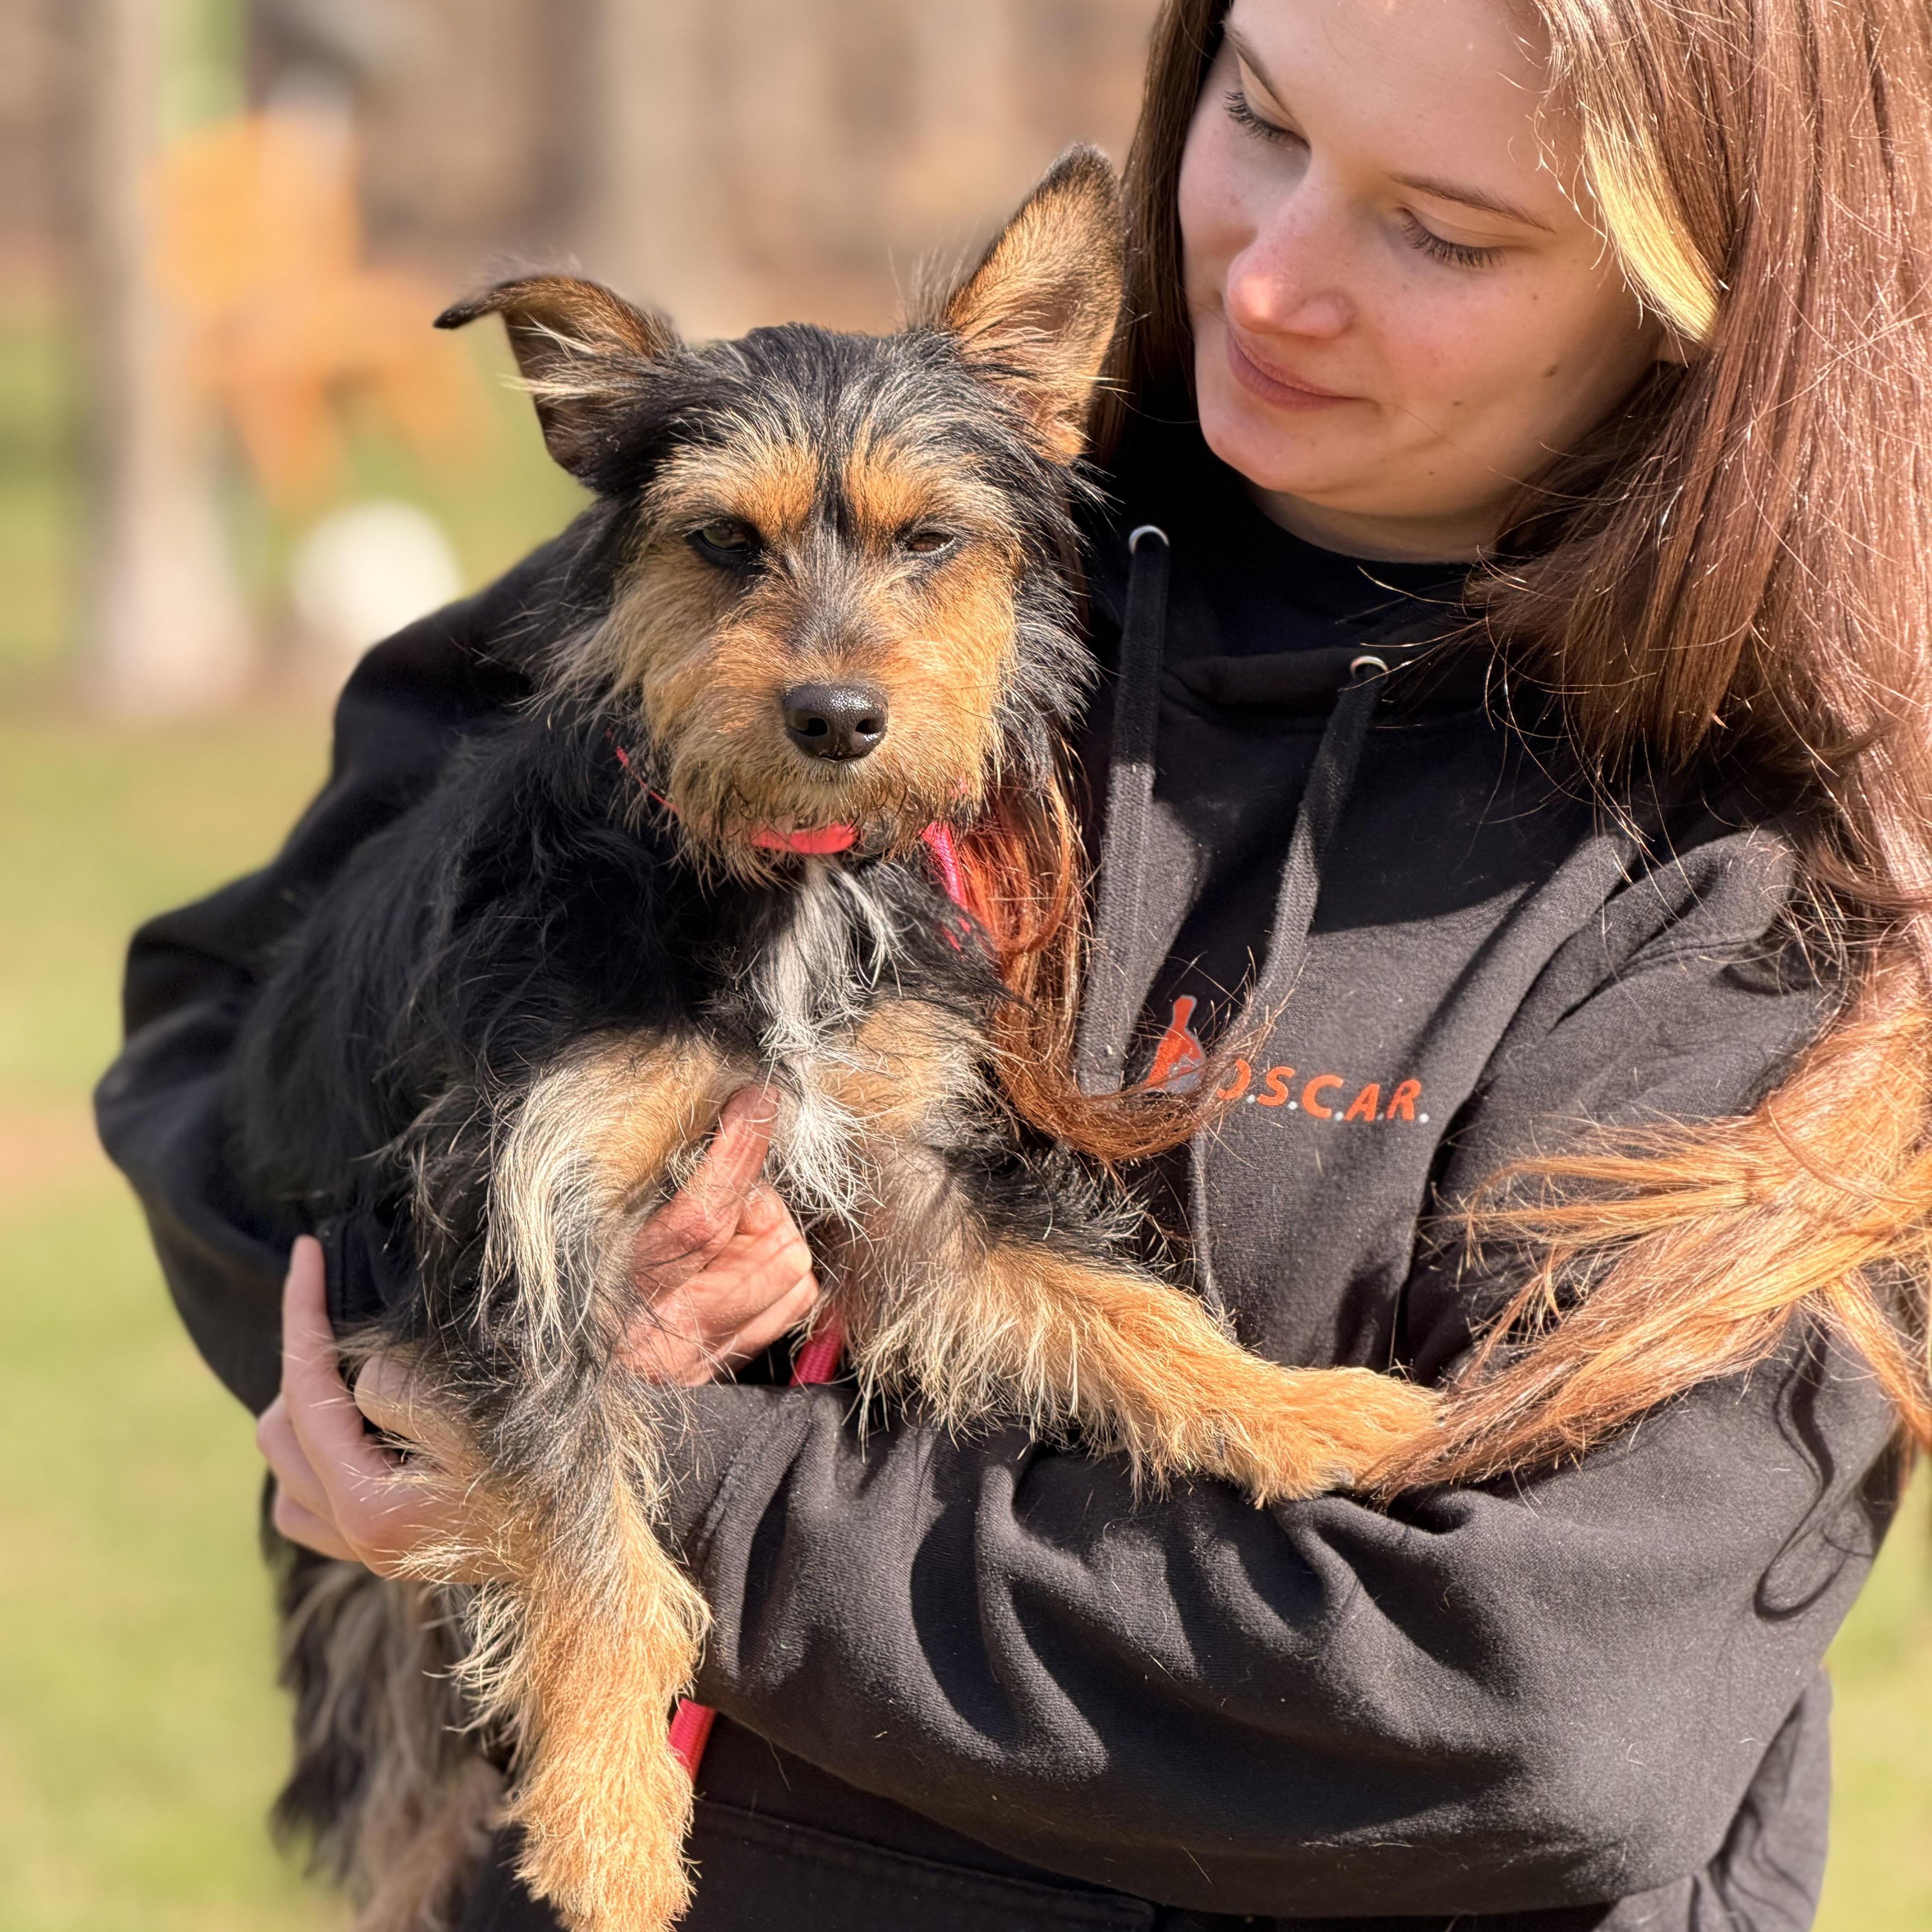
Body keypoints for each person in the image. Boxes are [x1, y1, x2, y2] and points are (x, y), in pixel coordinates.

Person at [96, 0, 1932, 1927]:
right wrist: (421, 1372)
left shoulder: (1772, 893)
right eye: (1266, 122)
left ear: (1704, 289)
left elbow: (1532, 1718)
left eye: (1443, 232)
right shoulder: (700, 599)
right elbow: (222, 1052)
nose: (1279, 278)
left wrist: (677, 1481)